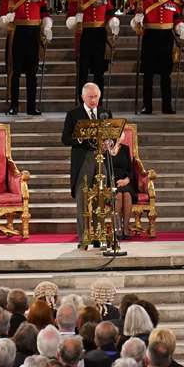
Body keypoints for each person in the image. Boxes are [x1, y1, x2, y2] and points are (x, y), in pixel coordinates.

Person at [0, 0, 52, 117]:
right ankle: (13, 105)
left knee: (32, 72)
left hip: (34, 33)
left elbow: (44, 11)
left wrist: (47, 25)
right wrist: (8, 18)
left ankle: (31, 106)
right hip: (18, 33)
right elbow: (2, 15)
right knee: (15, 71)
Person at [131, 0, 184, 115]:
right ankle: (147, 106)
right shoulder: (144, 0)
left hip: (166, 38)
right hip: (151, 38)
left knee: (165, 75)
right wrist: (137, 20)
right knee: (148, 75)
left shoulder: (172, 1)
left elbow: (176, 18)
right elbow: (137, 20)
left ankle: (166, 106)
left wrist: (180, 26)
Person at [66, 0, 119, 96]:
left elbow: (109, 13)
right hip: (84, 34)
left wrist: (113, 22)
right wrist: (75, 20)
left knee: (99, 71)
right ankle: (82, 101)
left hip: (99, 34)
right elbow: (69, 17)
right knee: (83, 71)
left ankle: (98, 101)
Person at [63, 85, 108, 246]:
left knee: (100, 198)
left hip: (101, 159)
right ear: (83, 97)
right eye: (90, 97)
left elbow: (111, 136)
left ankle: (98, 236)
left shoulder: (105, 113)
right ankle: (84, 238)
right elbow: (65, 139)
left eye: (96, 96)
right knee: (83, 199)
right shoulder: (73, 114)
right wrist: (81, 137)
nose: (94, 100)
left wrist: (109, 142)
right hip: (83, 160)